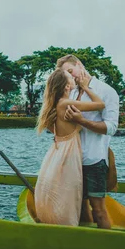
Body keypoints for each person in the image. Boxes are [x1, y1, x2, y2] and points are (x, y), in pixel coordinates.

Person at [34, 68, 105, 226]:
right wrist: (86, 86)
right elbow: (100, 104)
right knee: (70, 191)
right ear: (66, 86)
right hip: (69, 152)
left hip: (57, 150)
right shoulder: (66, 103)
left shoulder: (56, 104)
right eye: (70, 77)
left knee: (60, 189)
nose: (74, 78)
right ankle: (66, 224)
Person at [57, 54, 120, 229]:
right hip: (72, 159)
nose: (70, 77)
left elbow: (111, 127)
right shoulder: (72, 92)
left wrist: (82, 120)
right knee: (79, 207)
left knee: (98, 210)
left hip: (94, 159)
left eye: (71, 71)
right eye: (66, 75)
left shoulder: (106, 91)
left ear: (79, 65)